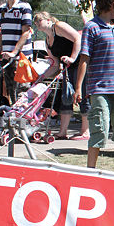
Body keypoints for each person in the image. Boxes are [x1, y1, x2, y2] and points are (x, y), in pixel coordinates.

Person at [74, 0, 114, 173]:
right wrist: (78, 88)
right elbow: (84, 59)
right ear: (110, 5)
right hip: (99, 88)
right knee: (99, 128)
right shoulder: (91, 27)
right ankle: (91, 169)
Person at [33, 12, 89, 140]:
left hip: (80, 64)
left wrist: (73, 58)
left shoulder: (58, 26)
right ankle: (62, 132)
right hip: (67, 69)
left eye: (39, 21)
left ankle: (85, 132)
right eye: (35, 22)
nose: (37, 24)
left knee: (82, 95)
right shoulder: (47, 42)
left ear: (48, 20)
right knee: (66, 98)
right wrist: (41, 77)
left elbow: (77, 39)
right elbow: (55, 65)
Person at [0, 0, 33, 101]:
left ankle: (23, 118)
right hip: (6, 55)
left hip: (21, 56)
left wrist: (14, 52)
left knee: (22, 90)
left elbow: (26, 32)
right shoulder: (2, 9)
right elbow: (2, 32)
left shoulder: (24, 7)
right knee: (10, 89)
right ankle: (13, 116)